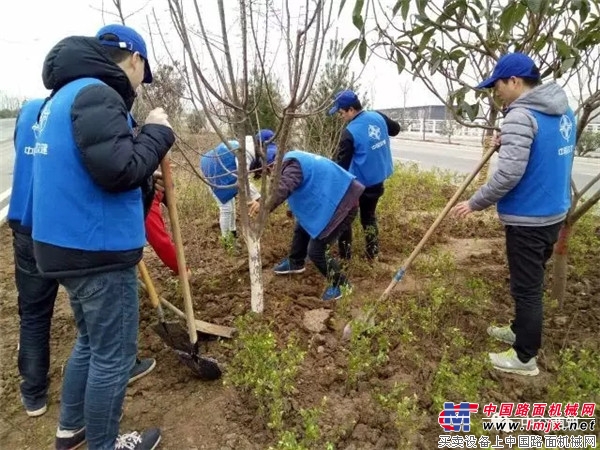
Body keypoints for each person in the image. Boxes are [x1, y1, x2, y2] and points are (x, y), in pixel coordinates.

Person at [28, 24, 175, 449]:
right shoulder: (97, 94)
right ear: (135, 61)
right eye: (140, 73)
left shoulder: (60, 97)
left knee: (91, 344)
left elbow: (92, 169)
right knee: (114, 356)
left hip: (65, 246)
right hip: (97, 251)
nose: (138, 83)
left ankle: (71, 433)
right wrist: (156, 133)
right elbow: (119, 171)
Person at [451, 52, 575, 377]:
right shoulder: (562, 109)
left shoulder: (521, 115)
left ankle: (524, 358)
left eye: (498, 86)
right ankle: (520, 330)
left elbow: (508, 176)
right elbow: (543, 150)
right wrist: (508, 141)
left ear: (515, 81)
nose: (497, 93)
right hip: (554, 213)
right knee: (530, 281)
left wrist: (474, 203)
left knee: (527, 288)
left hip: (529, 218)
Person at [253, 150, 364, 300]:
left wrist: (264, 205)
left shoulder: (292, 166)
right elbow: (304, 185)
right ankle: (296, 262)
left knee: (316, 251)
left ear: (272, 164)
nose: (268, 175)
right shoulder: (293, 158)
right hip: (334, 199)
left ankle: (341, 285)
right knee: (302, 226)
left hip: (343, 205)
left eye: (266, 171)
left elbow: (285, 186)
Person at [327, 90, 400, 261]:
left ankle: (346, 258)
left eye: (341, 112)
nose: (340, 116)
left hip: (358, 185)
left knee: (345, 220)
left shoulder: (349, 133)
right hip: (378, 180)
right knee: (369, 217)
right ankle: (372, 254)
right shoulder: (377, 116)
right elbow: (395, 129)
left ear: (351, 109)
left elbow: (341, 167)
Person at [200, 129, 276, 242]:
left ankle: (232, 235)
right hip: (214, 169)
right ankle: (227, 241)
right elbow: (243, 179)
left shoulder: (251, 147)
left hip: (221, 167)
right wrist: (258, 198)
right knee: (226, 208)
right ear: (260, 145)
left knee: (230, 207)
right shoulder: (247, 151)